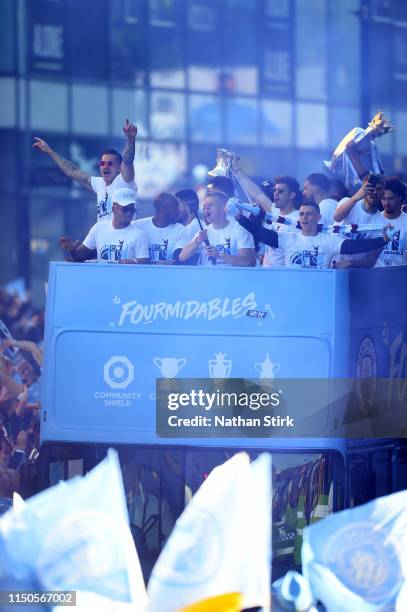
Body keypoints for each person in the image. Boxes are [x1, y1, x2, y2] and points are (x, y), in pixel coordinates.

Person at [33, 119, 138, 222]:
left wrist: (130, 141)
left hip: (124, 238)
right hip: (104, 238)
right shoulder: (99, 183)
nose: (105, 166)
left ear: (120, 168)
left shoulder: (125, 181)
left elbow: (127, 161)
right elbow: (72, 171)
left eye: (110, 164)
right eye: (102, 164)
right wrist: (50, 152)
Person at [238, 201, 391, 270]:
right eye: (302, 214)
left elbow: (354, 247)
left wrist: (382, 240)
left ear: (318, 217)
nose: (304, 217)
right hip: (292, 293)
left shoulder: (329, 241)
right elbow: (260, 233)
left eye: (309, 214)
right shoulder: (288, 238)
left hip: (320, 293)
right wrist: (240, 219)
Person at [59, 188, 149, 264]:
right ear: (114, 208)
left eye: (132, 209)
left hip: (127, 282)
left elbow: (144, 262)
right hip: (102, 281)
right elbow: (80, 257)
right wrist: (72, 250)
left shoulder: (139, 234)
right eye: (125, 209)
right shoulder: (99, 228)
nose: (129, 213)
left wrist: (134, 262)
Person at [179, 189, 256, 267]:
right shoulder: (204, 231)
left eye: (211, 205)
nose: (206, 208)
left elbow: (249, 262)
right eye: (205, 205)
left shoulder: (239, 229)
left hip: (232, 278)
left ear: (224, 209)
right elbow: (182, 257)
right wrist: (197, 240)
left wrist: (220, 255)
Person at [135, 193, 187, 264]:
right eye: (175, 208)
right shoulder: (138, 226)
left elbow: (178, 256)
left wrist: (171, 262)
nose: (179, 212)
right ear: (164, 209)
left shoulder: (180, 230)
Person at [374, 177, 407, 267]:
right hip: (376, 275)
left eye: (391, 198)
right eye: (383, 199)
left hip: (400, 276)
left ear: (400, 197)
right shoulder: (374, 219)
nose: (386, 203)